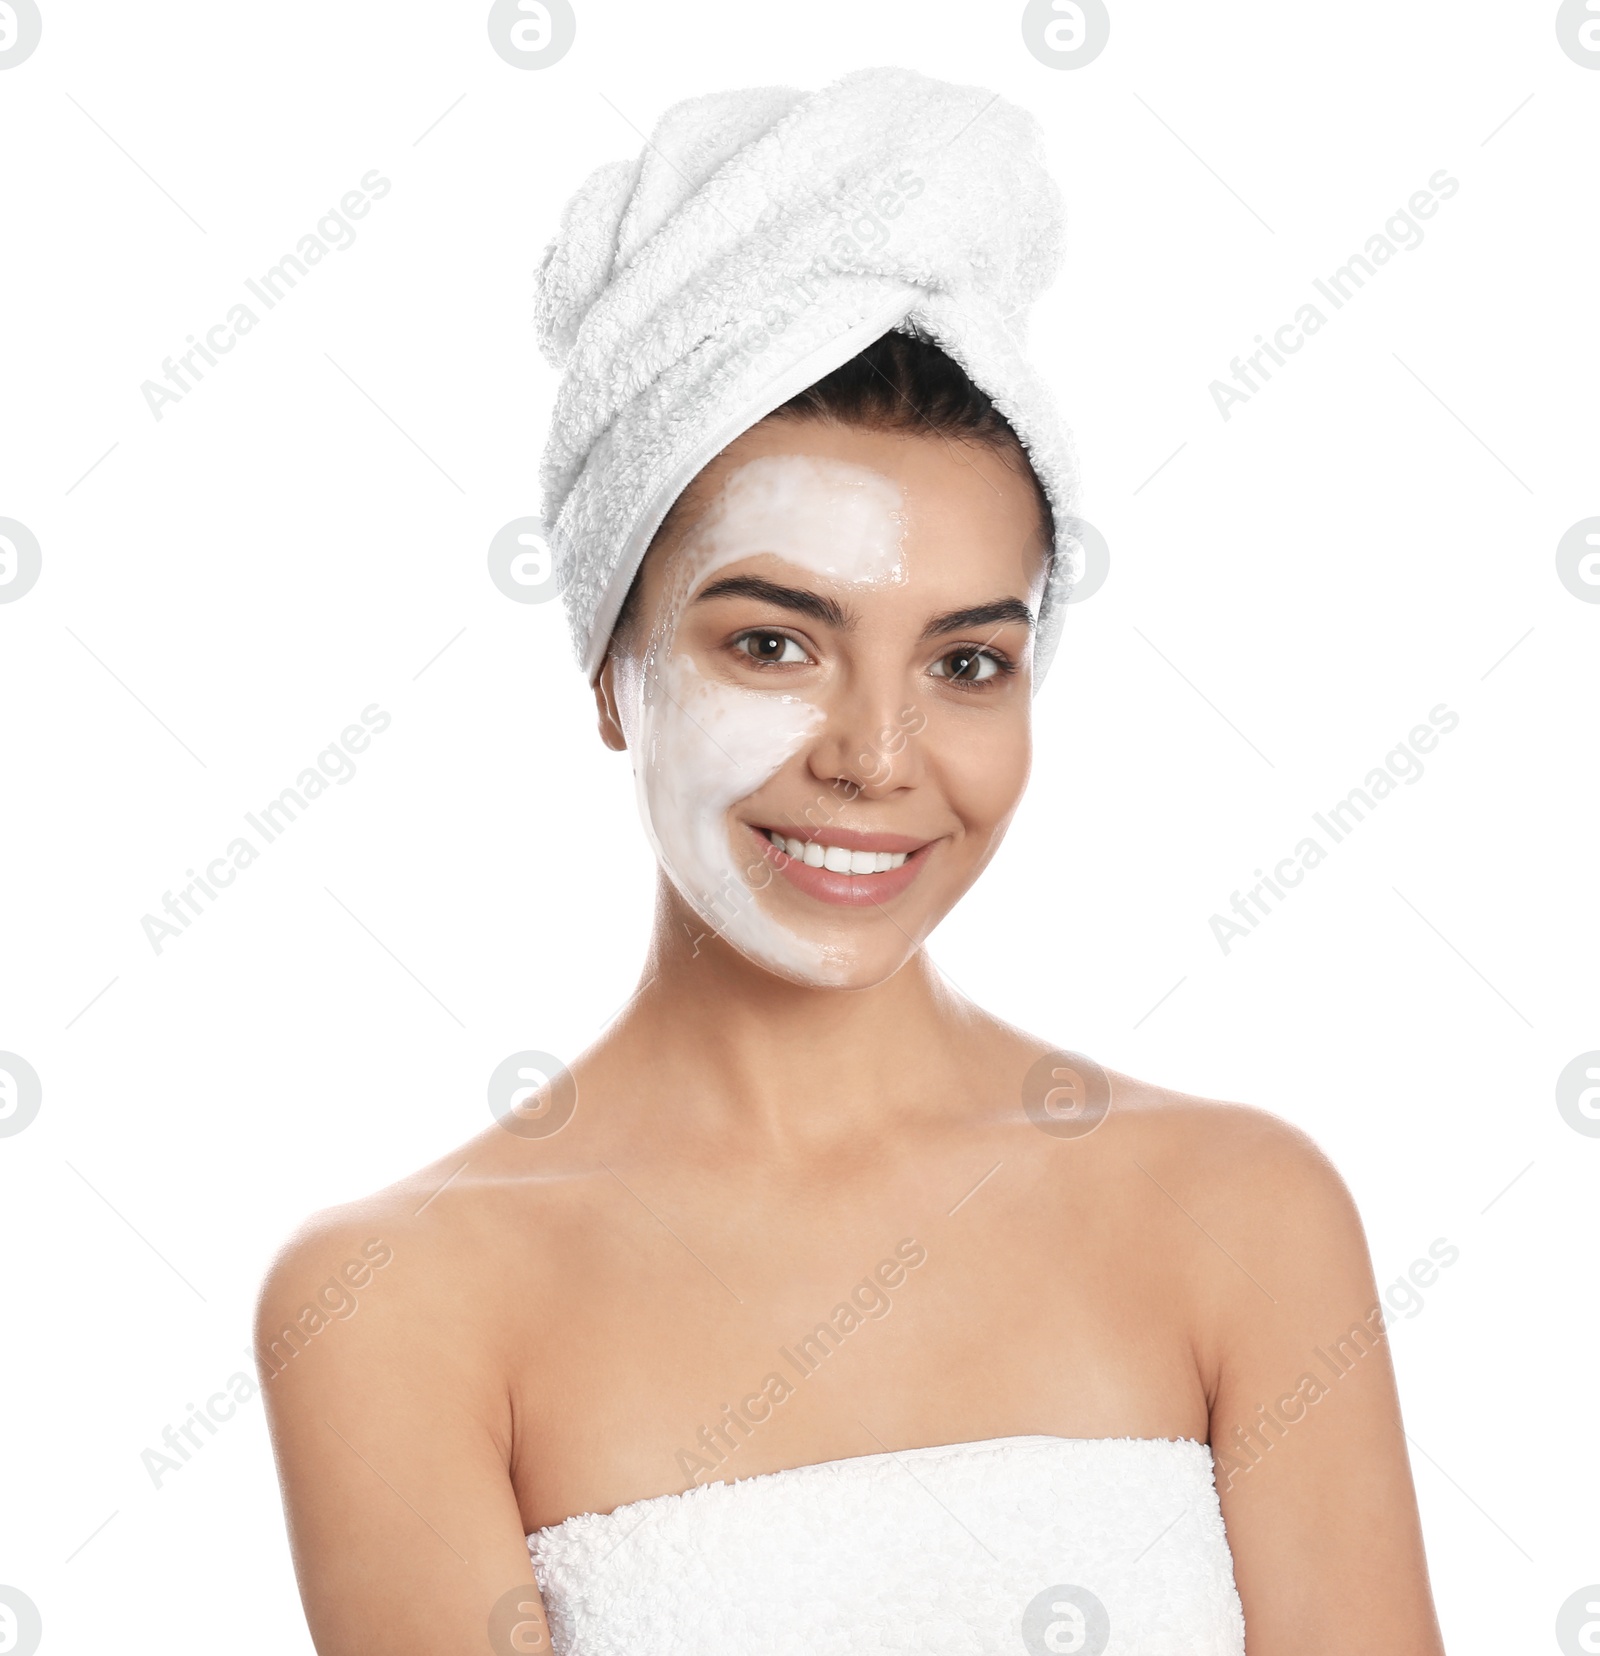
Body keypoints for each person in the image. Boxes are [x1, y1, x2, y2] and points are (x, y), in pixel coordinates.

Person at [257, 70, 1447, 1656]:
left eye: (966, 664)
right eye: (775, 642)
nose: (877, 760)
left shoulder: (1242, 1218)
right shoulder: (396, 1307)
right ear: (613, 669)